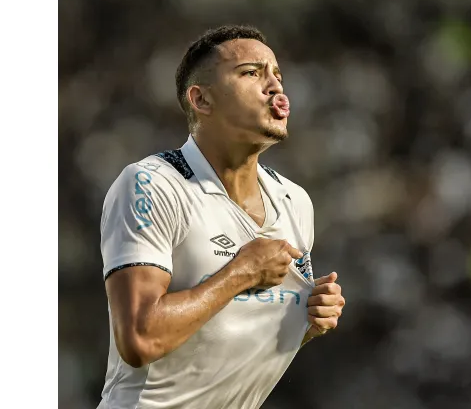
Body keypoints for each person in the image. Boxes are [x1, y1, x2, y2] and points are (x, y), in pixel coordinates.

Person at [97, 25, 346, 409]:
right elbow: (140, 340)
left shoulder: (295, 201)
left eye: (277, 75)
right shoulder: (151, 184)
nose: (275, 88)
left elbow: (236, 327)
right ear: (202, 100)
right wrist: (239, 273)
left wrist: (308, 322)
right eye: (251, 73)